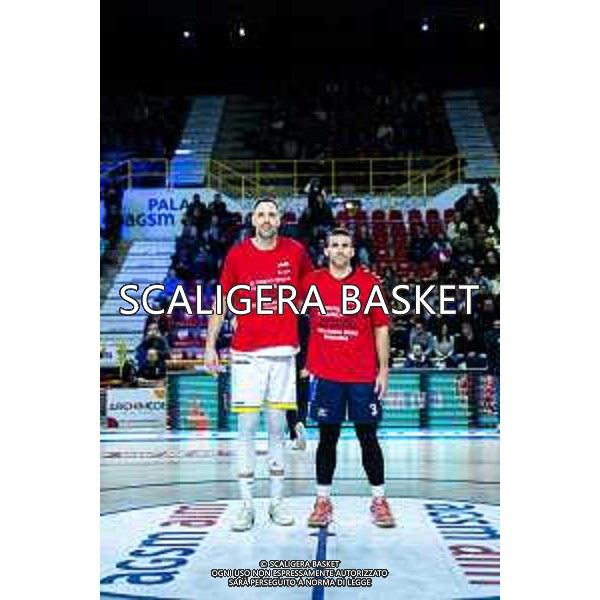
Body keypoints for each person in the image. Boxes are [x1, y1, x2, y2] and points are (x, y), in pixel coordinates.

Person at [204, 196, 313, 532]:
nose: (266, 219)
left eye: (272, 214)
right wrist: (209, 345)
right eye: (261, 214)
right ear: (253, 220)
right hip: (246, 355)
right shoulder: (237, 255)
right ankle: (247, 506)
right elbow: (222, 302)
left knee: (278, 429)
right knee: (247, 428)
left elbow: (315, 293)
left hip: (283, 354)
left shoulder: (296, 252)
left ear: (279, 220)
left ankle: (276, 503)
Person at [302, 227, 396, 528]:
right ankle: (322, 501)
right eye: (335, 245)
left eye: (345, 245)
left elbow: (381, 328)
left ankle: (379, 500)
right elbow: (283, 309)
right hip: (327, 375)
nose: (340, 250)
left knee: (368, 438)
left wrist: (384, 369)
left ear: (353, 251)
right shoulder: (312, 282)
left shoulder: (369, 284)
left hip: (362, 375)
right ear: (326, 251)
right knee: (327, 439)